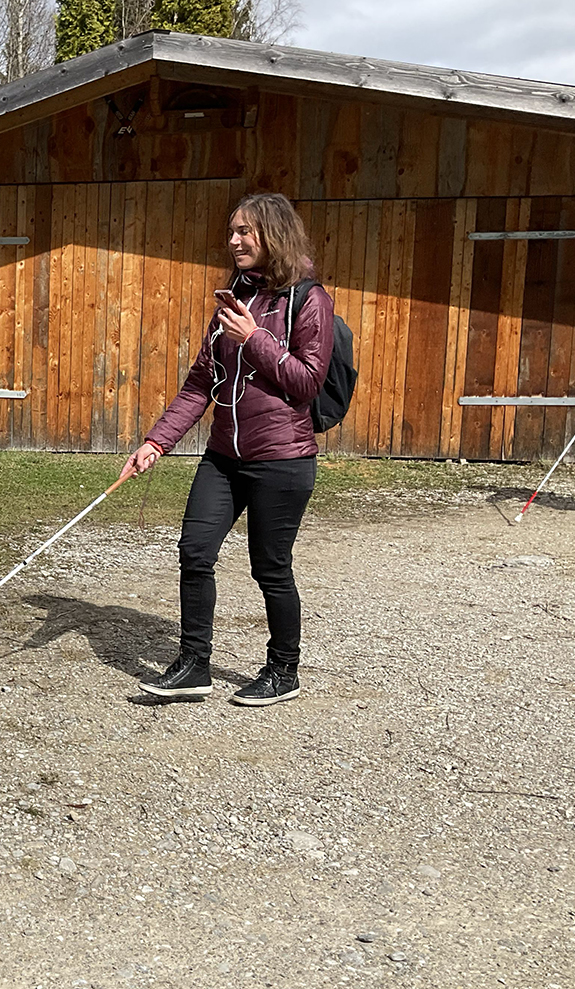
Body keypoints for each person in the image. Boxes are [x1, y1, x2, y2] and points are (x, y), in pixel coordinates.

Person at [119, 193, 334, 707]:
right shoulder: (234, 296)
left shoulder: (309, 299)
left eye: (245, 232)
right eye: (232, 232)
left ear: (273, 235)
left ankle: (284, 669)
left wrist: (256, 336)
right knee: (194, 552)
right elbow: (201, 383)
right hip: (223, 456)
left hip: (282, 459)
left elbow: (306, 382)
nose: (233, 241)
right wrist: (156, 441)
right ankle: (195, 664)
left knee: (270, 567)